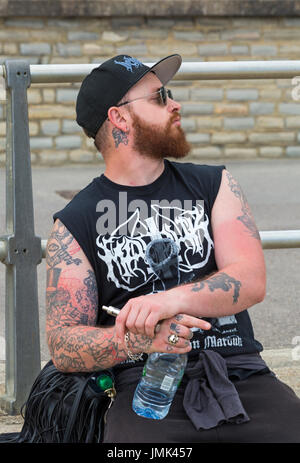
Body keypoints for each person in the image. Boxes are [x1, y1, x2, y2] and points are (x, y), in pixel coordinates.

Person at [46, 54, 300, 443]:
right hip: (146, 387)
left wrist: (166, 302)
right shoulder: (75, 221)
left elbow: (250, 278)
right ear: (120, 118)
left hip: (239, 372)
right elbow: (63, 343)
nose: (175, 104)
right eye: (160, 96)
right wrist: (133, 339)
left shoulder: (214, 184)